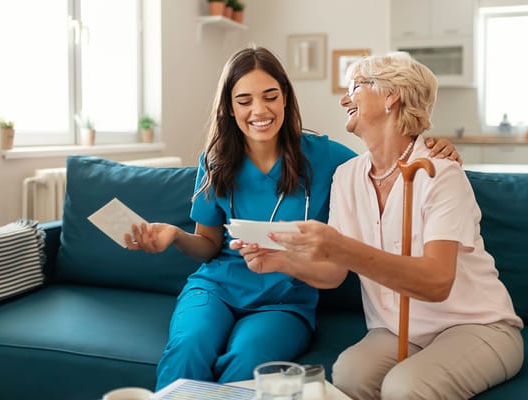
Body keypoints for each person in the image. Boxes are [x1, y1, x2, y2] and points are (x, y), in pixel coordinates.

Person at [124, 46, 461, 391]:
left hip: (284, 300)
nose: (259, 110)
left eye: (270, 96)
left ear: (285, 97)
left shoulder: (327, 157)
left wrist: (432, 145)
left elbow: (388, 158)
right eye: (244, 101)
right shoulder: (215, 160)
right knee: (188, 348)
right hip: (216, 288)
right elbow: (208, 245)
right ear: (229, 107)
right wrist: (175, 236)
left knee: (247, 360)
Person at [234, 52, 524, 400]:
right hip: (396, 330)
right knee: (349, 374)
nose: (344, 98)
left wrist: (341, 246)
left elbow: (436, 282)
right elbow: (333, 272)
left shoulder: (439, 173)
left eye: (355, 86)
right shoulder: (347, 176)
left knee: (405, 388)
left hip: (474, 325)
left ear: (391, 96)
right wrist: (280, 261)